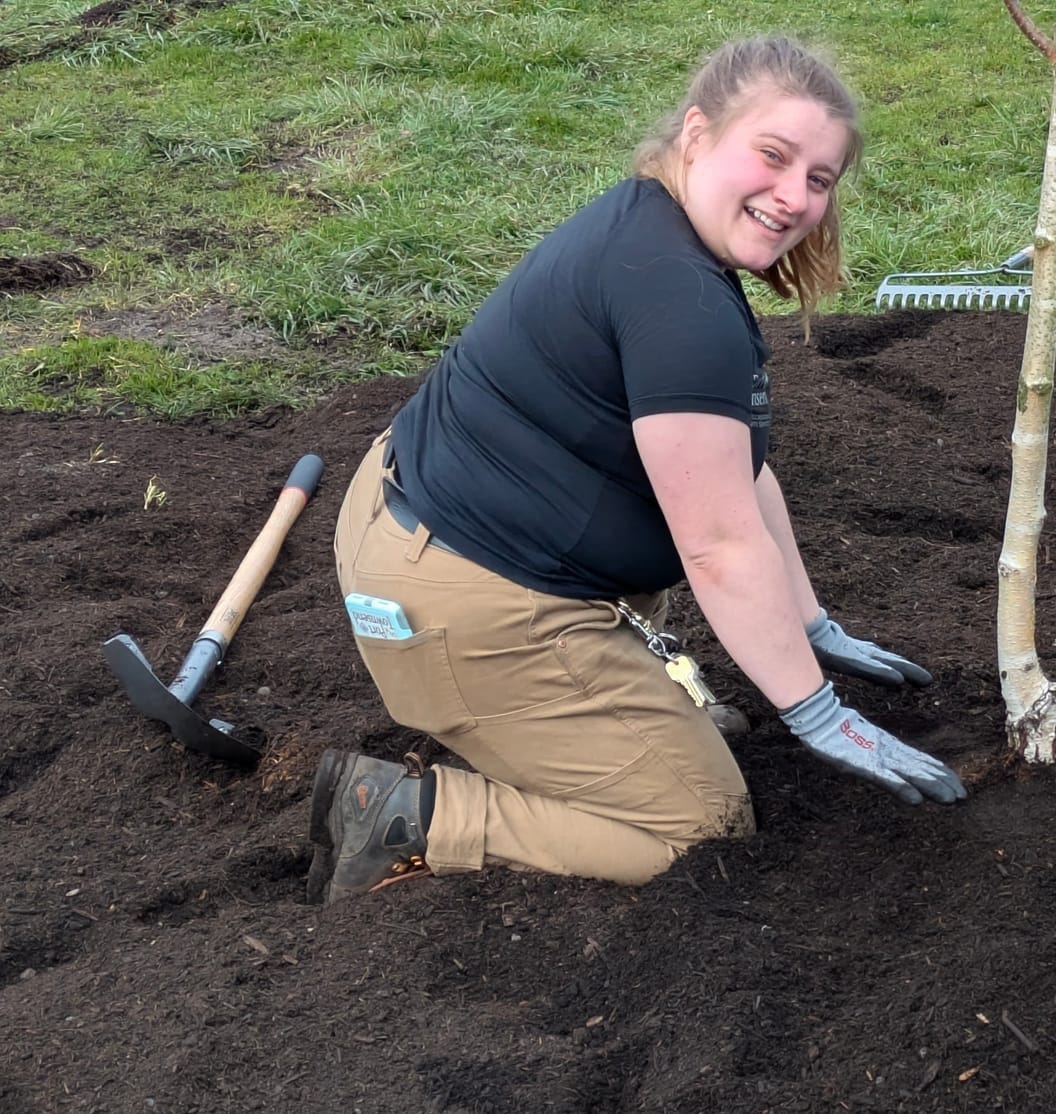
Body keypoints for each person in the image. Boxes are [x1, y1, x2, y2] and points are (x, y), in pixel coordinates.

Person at [312, 36, 965, 905]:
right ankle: (411, 813)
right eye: (773, 157)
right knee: (697, 826)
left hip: (416, 529)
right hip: (466, 609)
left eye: (820, 178)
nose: (794, 196)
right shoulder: (680, 301)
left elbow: (741, 475)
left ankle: (584, 722)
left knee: (691, 688)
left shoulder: (647, 228)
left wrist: (809, 624)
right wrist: (820, 716)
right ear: (697, 133)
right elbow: (721, 547)